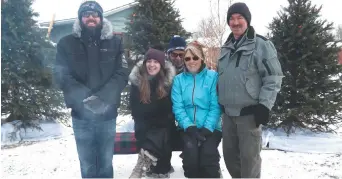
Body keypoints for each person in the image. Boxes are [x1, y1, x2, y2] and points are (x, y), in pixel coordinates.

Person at [53, 1, 129, 178]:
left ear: (101, 18)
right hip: (81, 115)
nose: (91, 17)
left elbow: (122, 73)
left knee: (105, 162)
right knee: (87, 164)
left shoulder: (115, 43)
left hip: (107, 114)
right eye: (86, 14)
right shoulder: (66, 43)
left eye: (95, 14)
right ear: (80, 18)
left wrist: (103, 97)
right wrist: (86, 97)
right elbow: (60, 74)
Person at [217, 2, 283, 178]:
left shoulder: (261, 45)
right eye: (231, 18)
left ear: (247, 20)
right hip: (228, 115)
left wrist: (264, 105)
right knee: (230, 158)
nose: (235, 22)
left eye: (240, 18)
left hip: (249, 115)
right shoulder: (226, 47)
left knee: (249, 160)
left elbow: (273, 77)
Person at [171, 41, 222, 178]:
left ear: (202, 58)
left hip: (210, 127)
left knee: (208, 156)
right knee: (190, 156)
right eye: (187, 58)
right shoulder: (178, 80)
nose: (191, 61)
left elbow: (215, 105)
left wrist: (208, 128)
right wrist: (189, 126)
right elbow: (178, 107)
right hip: (188, 127)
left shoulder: (212, 77)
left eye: (195, 57)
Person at [128, 48, 177, 178]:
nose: (152, 65)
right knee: (155, 135)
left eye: (155, 61)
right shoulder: (137, 82)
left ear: (161, 64)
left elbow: (168, 109)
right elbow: (136, 110)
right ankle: (153, 166)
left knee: (163, 132)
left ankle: (144, 163)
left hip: (163, 125)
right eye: (149, 61)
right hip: (144, 126)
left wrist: (156, 114)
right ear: (144, 63)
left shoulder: (167, 82)